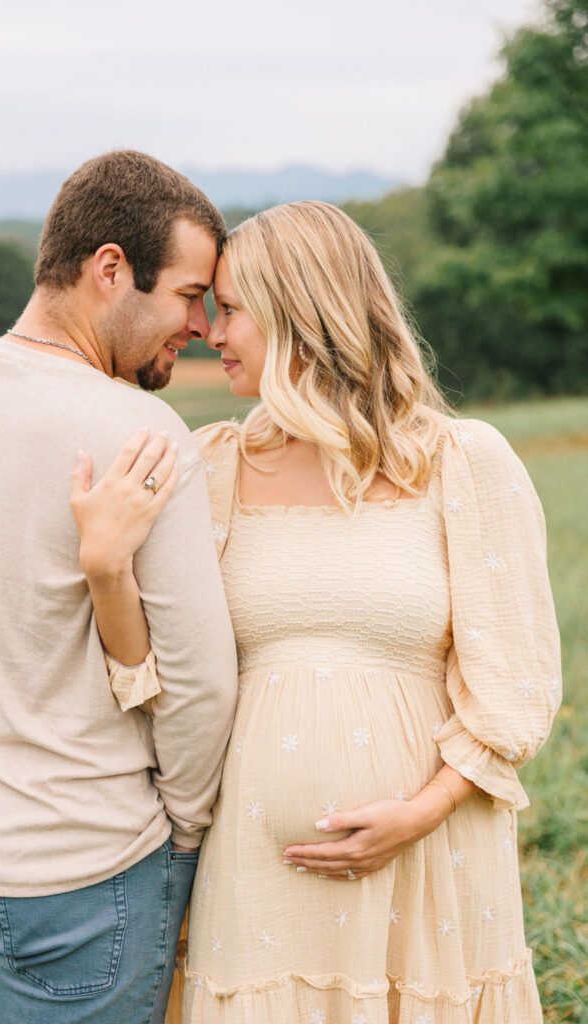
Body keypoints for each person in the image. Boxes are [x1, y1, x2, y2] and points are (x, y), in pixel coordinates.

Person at [77, 200, 561, 1024]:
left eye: (229, 311)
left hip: (429, 870)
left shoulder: (460, 463)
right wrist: (106, 570)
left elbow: (515, 687)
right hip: (254, 888)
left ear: (302, 313)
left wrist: (418, 812)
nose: (208, 332)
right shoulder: (213, 469)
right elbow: (149, 681)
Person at [0, 150, 238, 1024]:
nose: (198, 325)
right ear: (110, 270)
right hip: (84, 874)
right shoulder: (142, 433)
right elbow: (199, 687)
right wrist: (186, 835)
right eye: (186, 294)